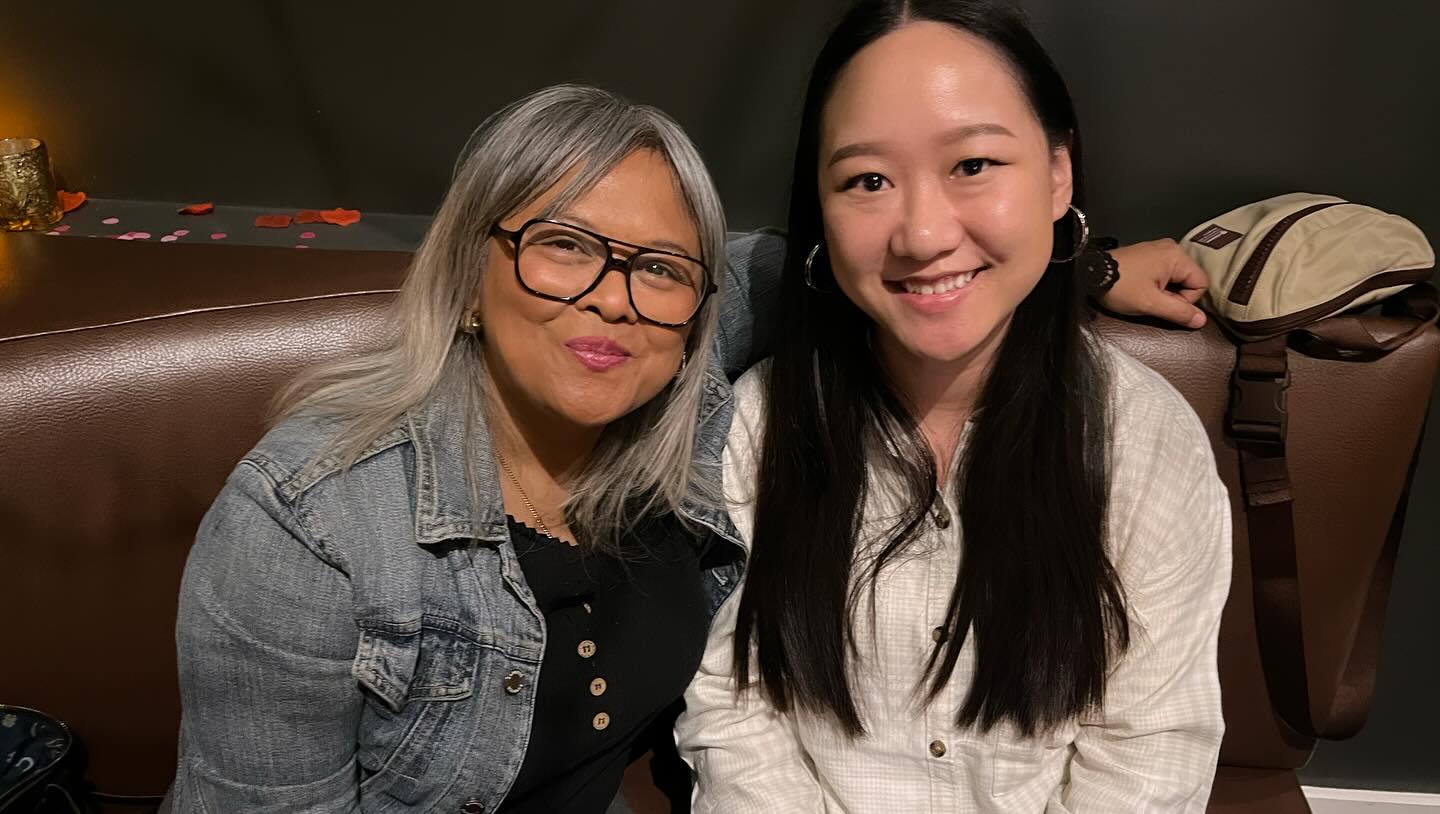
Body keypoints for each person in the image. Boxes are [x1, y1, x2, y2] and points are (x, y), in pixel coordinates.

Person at [172, 75, 1209, 814]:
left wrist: (1081, 269)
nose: (610, 299)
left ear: (694, 318)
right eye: (561, 245)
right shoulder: (307, 526)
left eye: (659, 268)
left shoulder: (684, 398)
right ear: (467, 277)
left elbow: (882, 265)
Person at [676, 1, 1232, 812]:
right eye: (868, 180)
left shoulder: (1142, 444)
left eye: (973, 164)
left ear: (1057, 174)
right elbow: (736, 714)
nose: (923, 234)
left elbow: (1151, 750)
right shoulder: (759, 428)